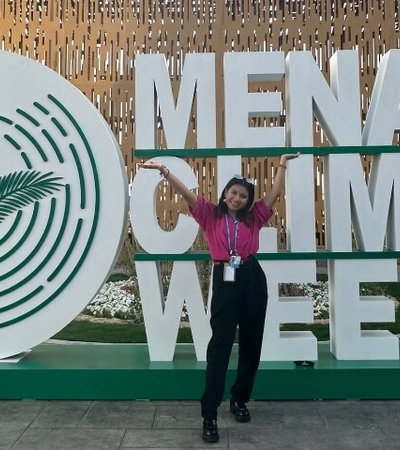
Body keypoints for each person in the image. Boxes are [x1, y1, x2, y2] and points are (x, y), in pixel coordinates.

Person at [139, 152, 300, 443]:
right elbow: (186, 193)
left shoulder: (255, 218)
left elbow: (275, 193)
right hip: (225, 279)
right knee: (220, 346)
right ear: (225, 193)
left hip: (252, 276)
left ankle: (239, 399)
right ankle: (209, 414)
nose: (237, 198)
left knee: (252, 342)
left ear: (248, 200)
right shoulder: (209, 215)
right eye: (233, 193)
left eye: (243, 195)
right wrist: (164, 171)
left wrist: (281, 163)